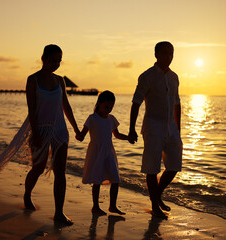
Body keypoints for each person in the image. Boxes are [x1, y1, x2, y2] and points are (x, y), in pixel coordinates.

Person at [0, 44, 80, 226]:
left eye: (58, 61)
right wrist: (37, 133)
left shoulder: (60, 81)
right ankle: (27, 194)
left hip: (60, 130)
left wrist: (76, 129)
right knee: (38, 168)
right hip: (40, 128)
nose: (56, 64)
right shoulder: (33, 80)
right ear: (44, 59)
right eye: (52, 60)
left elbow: (66, 106)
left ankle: (59, 213)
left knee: (60, 172)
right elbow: (32, 109)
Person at [128, 41, 182, 220]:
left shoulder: (174, 77)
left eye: (171, 53)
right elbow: (136, 102)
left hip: (171, 129)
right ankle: (154, 206)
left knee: (174, 166)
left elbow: (177, 103)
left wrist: (178, 130)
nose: (169, 56)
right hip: (153, 127)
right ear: (156, 55)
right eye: (165, 53)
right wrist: (131, 129)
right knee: (152, 169)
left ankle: (157, 196)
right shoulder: (147, 76)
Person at [76, 90, 128, 216]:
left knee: (115, 179)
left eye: (111, 107)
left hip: (109, 151)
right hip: (96, 152)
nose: (109, 109)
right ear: (99, 103)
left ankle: (112, 206)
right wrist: (79, 136)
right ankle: (95, 206)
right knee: (97, 180)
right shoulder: (92, 118)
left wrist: (128, 138)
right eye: (106, 106)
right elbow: (82, 134)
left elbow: (117, 135)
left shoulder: (111, 119)